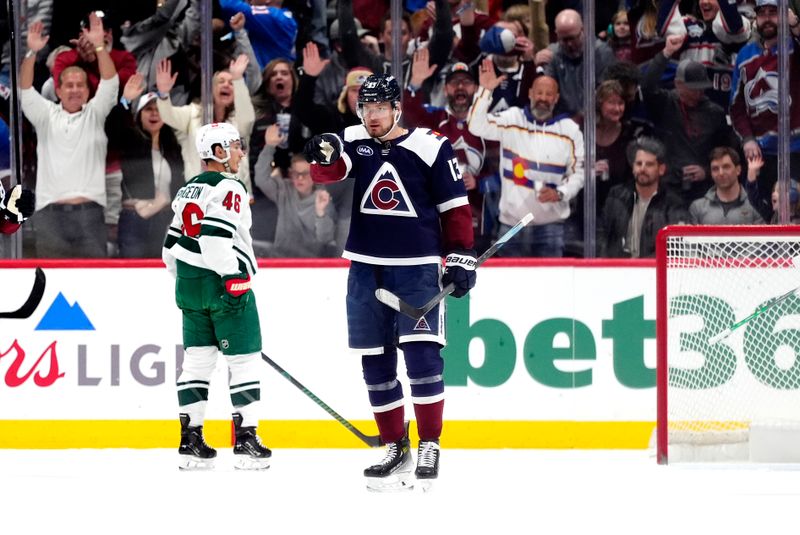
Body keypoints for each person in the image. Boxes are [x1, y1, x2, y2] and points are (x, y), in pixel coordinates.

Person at [303, 73, 475, 490]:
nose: (372, 116)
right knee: (375, 364)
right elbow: (330, 171)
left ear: (397, 107)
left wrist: (460, 255)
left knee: (422, 360)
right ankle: (396, 445)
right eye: (366, 108)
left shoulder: (432, 146)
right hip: (365, 267)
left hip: (416, 268)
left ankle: (429, 442)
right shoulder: (355, 138)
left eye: (379, 108)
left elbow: (454, 207)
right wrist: (322, 155)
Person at [162, 122, 270, 471]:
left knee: (196, 361)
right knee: (244, 360)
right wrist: (232, 276)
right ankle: (246, 438)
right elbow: (213, 240)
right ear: (220, 153)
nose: (241, 151)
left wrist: (186, 279)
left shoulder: (187, 189)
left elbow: (169, 248)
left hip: (190, 285)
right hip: (224, 285)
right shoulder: (230, 186)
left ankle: (190, 440)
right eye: (236, 146)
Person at [20, 14, 118, 258]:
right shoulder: (45, 115)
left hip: (90, 215)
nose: (74, 90)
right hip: (49, 218)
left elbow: (110, 81)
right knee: (52, 289)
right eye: (69, 85)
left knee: (93, 288)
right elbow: (24, 88)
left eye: (80, 85)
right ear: (58, 89)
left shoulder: (95, 114)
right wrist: (32, 53)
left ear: (87, 91)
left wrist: (99, 47)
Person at [468, 62, 584, 257]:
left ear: (556, 98)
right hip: (512, 226)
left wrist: (561, 193)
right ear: (530, 94)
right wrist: (485, 91)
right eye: (539, 93)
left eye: (549, 95)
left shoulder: (570, 130)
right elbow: (476, 126)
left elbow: (580, 173)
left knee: (550, 285)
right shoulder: (513, 119)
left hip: (551, 227)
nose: (543, 99)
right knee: (510, 286)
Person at [641, 33, 737, 204]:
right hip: (668, 185)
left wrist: (707, 171)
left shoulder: (715, 113)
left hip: (703, 189)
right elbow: (647, 86)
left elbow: (727, 151)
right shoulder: (665, 103)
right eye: (693, 88)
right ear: (678, 84)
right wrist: (666, 53)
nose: (699, 93)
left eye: (702, 88)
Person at [730, 0, 800, 221]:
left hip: (796, 150)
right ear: (756, 18)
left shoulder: (794, 46)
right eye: (763, 13)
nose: (768, 18)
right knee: (764, 212)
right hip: (762, 153)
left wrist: (796, 25)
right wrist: (748, 139)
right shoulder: (745, 55)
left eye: (774, 12)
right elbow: (736, 107)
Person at [115, 74, 185, 258]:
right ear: (139, 115)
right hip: (134, 219)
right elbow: (117, 125)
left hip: (164, 220)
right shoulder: (130, 142)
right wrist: (126, 100)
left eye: (158, 109)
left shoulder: (172, 149)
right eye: (148, 110)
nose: (154, 113)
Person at [598, 137, 690, 258]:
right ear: (633, 168)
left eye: (649, 164)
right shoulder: (616, 196)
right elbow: (602, 235)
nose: (642, 169)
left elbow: (675, 248)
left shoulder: (674, 203)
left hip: (653, 270)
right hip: (617, 269)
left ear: (661, 169)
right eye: (639, 163)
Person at [254, 128, 337, 257]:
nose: (299, 178)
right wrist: (270, 146)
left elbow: (325, 239)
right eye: (295, 173)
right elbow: (261, 178)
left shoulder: (322, 198)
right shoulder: (284, 189)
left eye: (304, 174)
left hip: (308, 263)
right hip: (280, 257)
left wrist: (321, 214)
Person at [689, 146, 764, 225]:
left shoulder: (756, 206)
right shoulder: (698, 207)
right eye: (715, 169)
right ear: (711, 173)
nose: (721, 173)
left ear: (738, 170)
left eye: (726, 167)